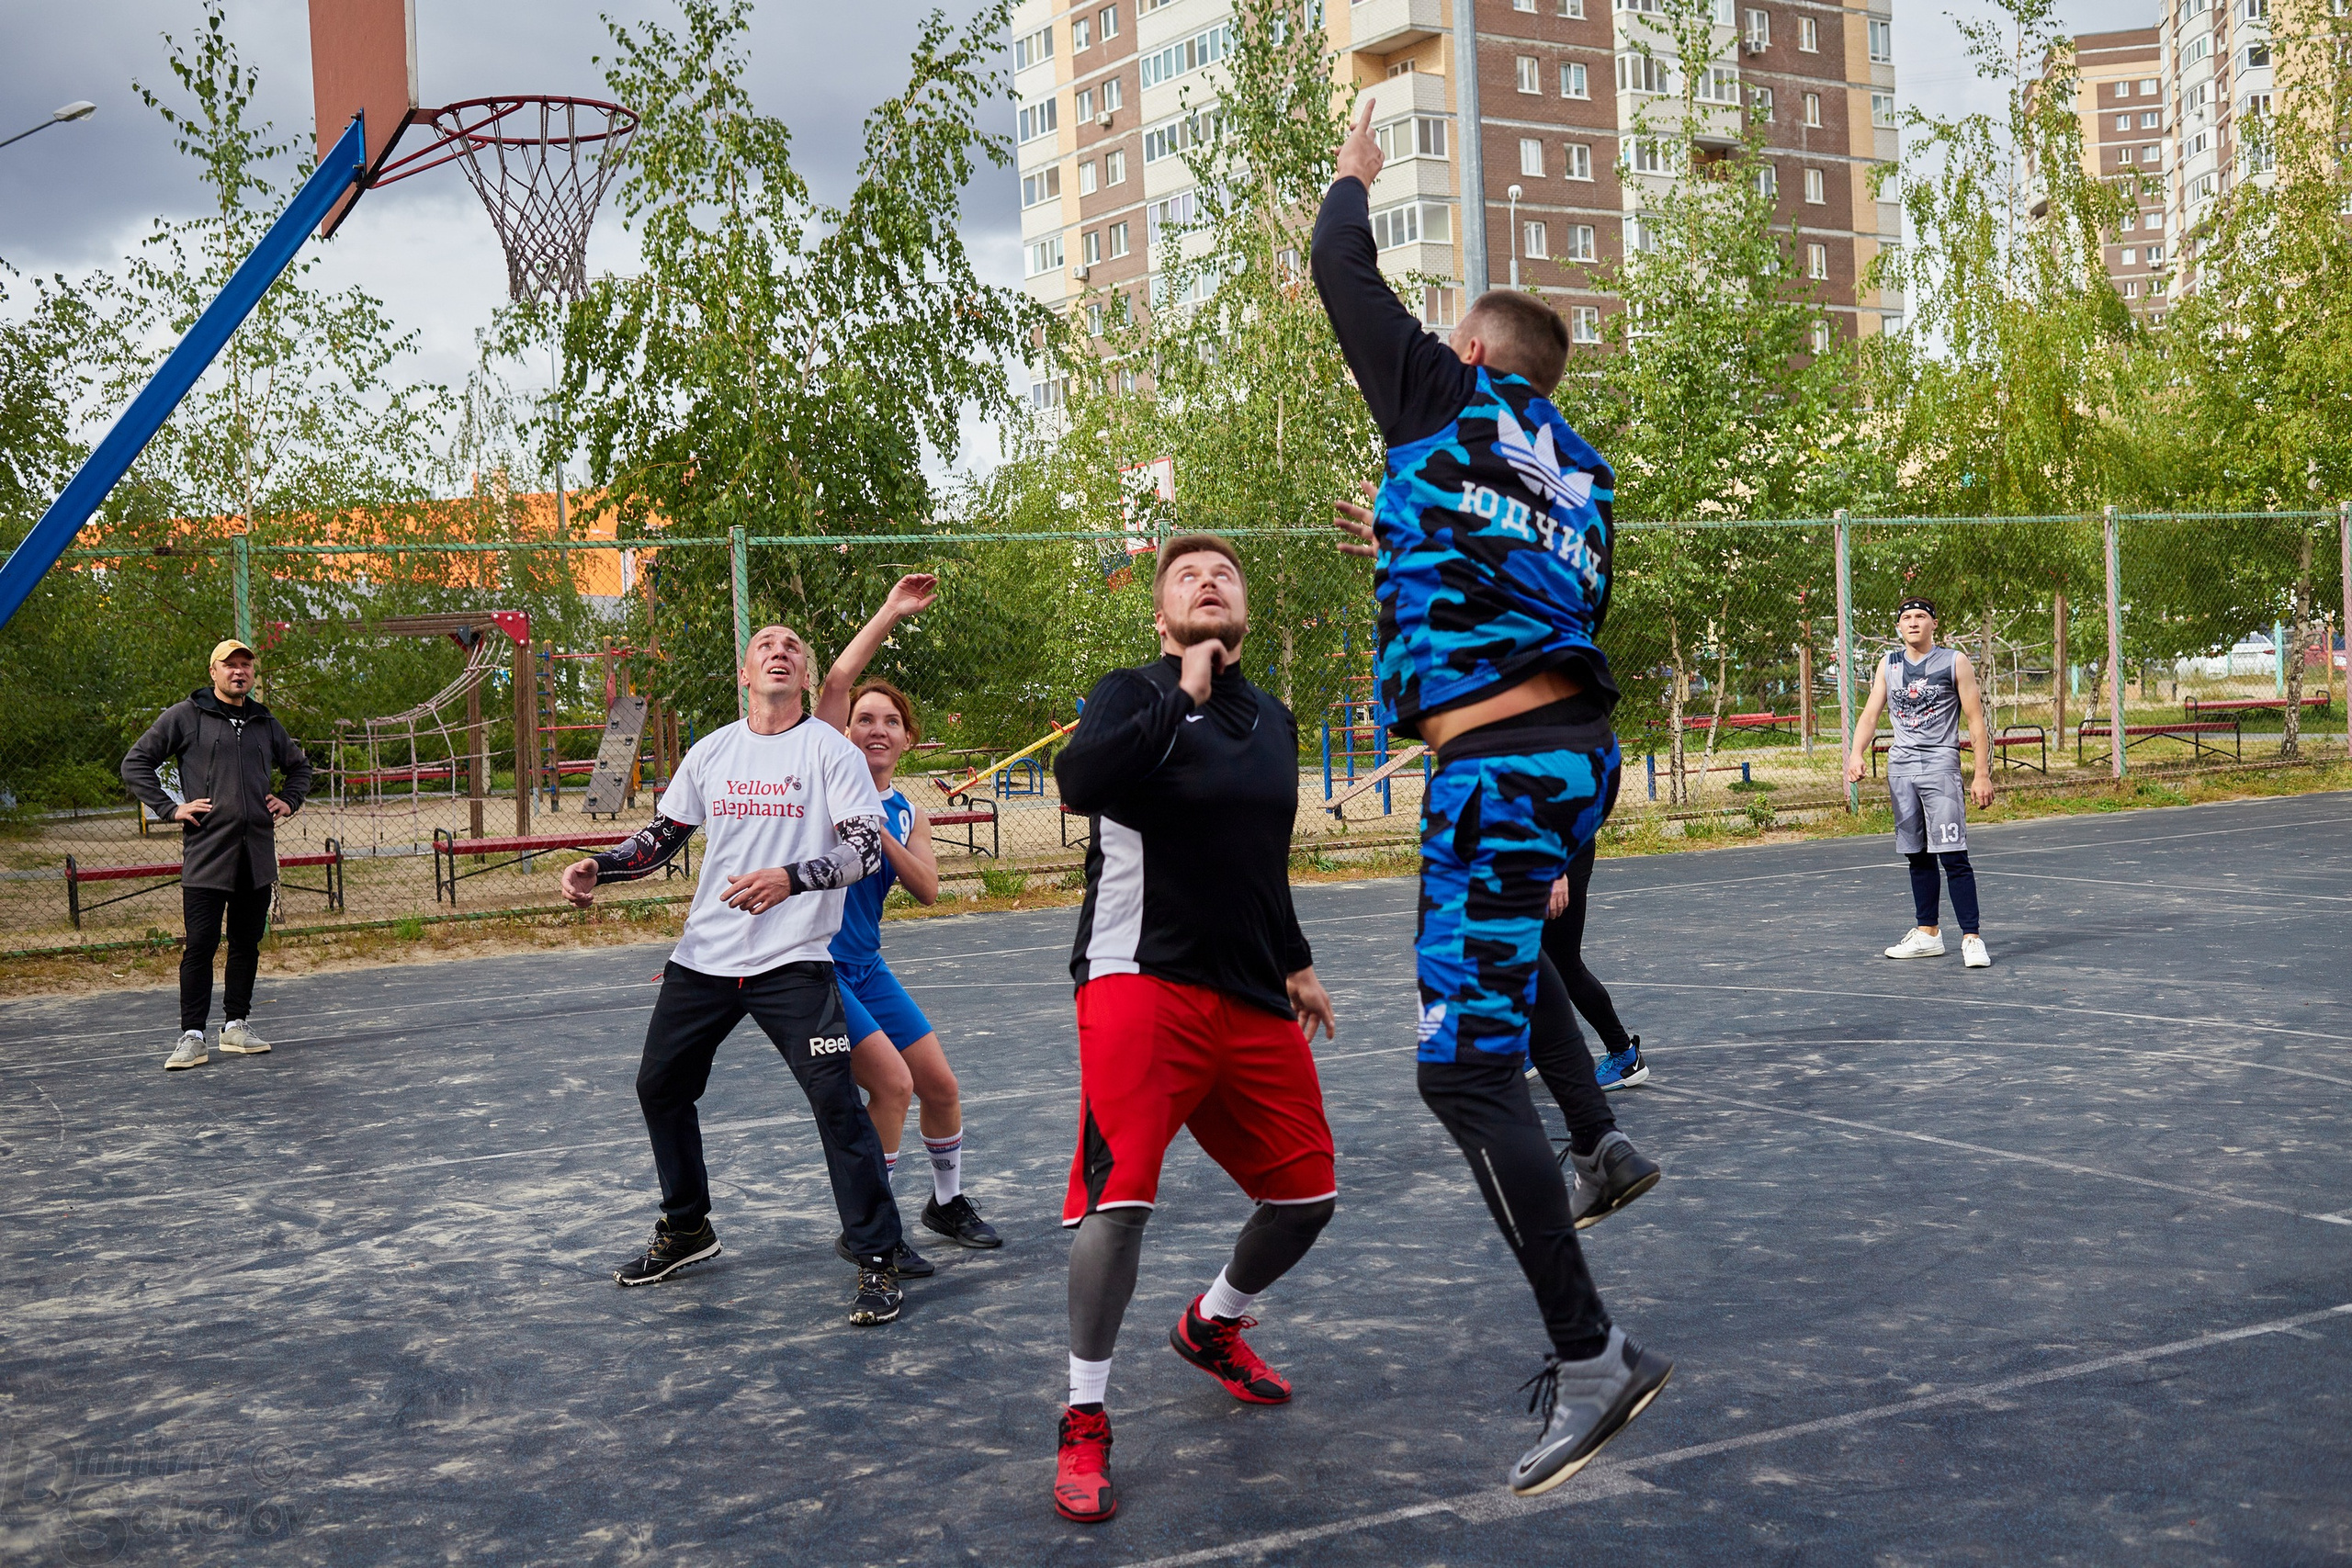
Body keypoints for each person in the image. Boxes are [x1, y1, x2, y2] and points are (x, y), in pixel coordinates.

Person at [1312, 96, 1672, 1496]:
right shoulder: (1577, 478)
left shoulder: (1447, 398)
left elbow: (1343, 273)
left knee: (1458, 1067)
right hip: (1569, 754)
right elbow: (1499, 589)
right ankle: (1597, 1138)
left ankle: (1591, 1351)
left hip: (1503, 768)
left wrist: (1355, 173)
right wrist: (1395, 522)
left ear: (1466, 351)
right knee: (1502, 977)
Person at [1046, 536, 1340, 1525]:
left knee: (1308, 1197)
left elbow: (1262, 857)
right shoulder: (1131, 693)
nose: (1207, 581)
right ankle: (1084, 1418)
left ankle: (1212, 1325)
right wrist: (1184, 691)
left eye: (1223, 574)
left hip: (1250, 990)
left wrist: (1294, 959)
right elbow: (1080, 782)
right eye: (1186, 577)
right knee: (1118, 1202)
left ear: (1245, 610)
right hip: (1139, 978)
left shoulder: (1277, 722)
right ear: (1163, 618)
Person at [559, 623, 909, 1326]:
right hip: (705, 959)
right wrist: (604, 863)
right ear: (745, 672)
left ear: (805, 675)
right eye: (764, 645)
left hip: (793, 962)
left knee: (837, 1104)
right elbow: (663, 836)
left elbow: (866, 850)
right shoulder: (713, 750)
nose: (779, 651)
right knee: (659, 1085)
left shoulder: (830, 752)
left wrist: (790, 878)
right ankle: (688, 1227)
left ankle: (877, 1256)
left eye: (792, 647)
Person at [810, 573, 1003, 1277]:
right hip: (819, 969)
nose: (876, 729)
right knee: (890, 1085)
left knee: (941, 1085)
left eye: (890, 722)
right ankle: (874, 1228)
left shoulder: (907, 813)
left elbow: (927, 888)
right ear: (846, 733)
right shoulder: (821, 780)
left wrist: (876, 828)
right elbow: (835, 680)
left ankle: (944, 1204)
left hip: (870, 965)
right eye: (865, 719)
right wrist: (890, 611)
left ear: (906, 739)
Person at [121, 637, 313, 1072]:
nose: (239, 672)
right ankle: (192, 1036)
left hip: (256, 855)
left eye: (246, 665)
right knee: (201, 945)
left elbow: (300, 767)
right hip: (207, 853)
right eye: (230, 665)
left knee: (246, 943)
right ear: (214, 671)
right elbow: (136, 762)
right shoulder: (187, 716)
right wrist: (171, 808)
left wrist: (289, 799)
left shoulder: (265, 721)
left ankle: (236, 1026)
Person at [1844, 597, 1996, 966]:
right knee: (1916, 853)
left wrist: (1981, 773)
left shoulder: (1954, 661)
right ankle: (1927, 933)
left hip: (1940, 767)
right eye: (1906, 618)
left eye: (1921, 617)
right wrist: (1856, 753)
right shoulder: (1888, 664)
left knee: (1952, 853)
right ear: (1899, 627)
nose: (1913, 623)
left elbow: (1976, 721)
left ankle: (1972, 938)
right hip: (1901, 768)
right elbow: (1870, 714)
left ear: (1934, 624)